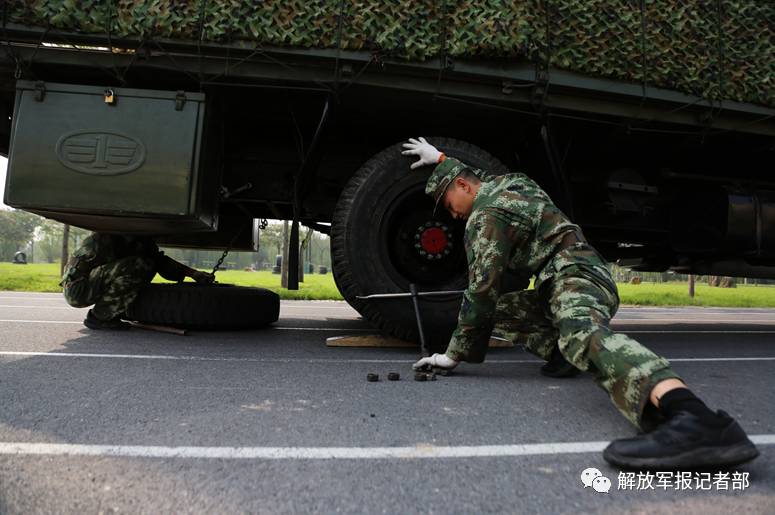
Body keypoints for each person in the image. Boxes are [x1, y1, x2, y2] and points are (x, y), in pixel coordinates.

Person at [401, 137, 759, 469]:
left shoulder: (484, 218)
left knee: (580, 333)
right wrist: (443, 159)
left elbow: (481, 291)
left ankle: (694, 418)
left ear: (463, 187)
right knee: (504, 312)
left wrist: (453, 354)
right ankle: (562, 354)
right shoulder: (512, 183)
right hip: (578, 273)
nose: (453, 215)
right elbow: (477, 176)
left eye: (449, 205)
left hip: (573, 277)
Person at [61, 232, 214, 330]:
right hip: (77, 289)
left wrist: (194, 274)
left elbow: (160, 261)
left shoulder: (138, 240)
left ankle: (111, 310)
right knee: (139, 265)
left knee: (145, 263)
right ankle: (100, 316)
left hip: (88, 282)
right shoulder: (105, 239)